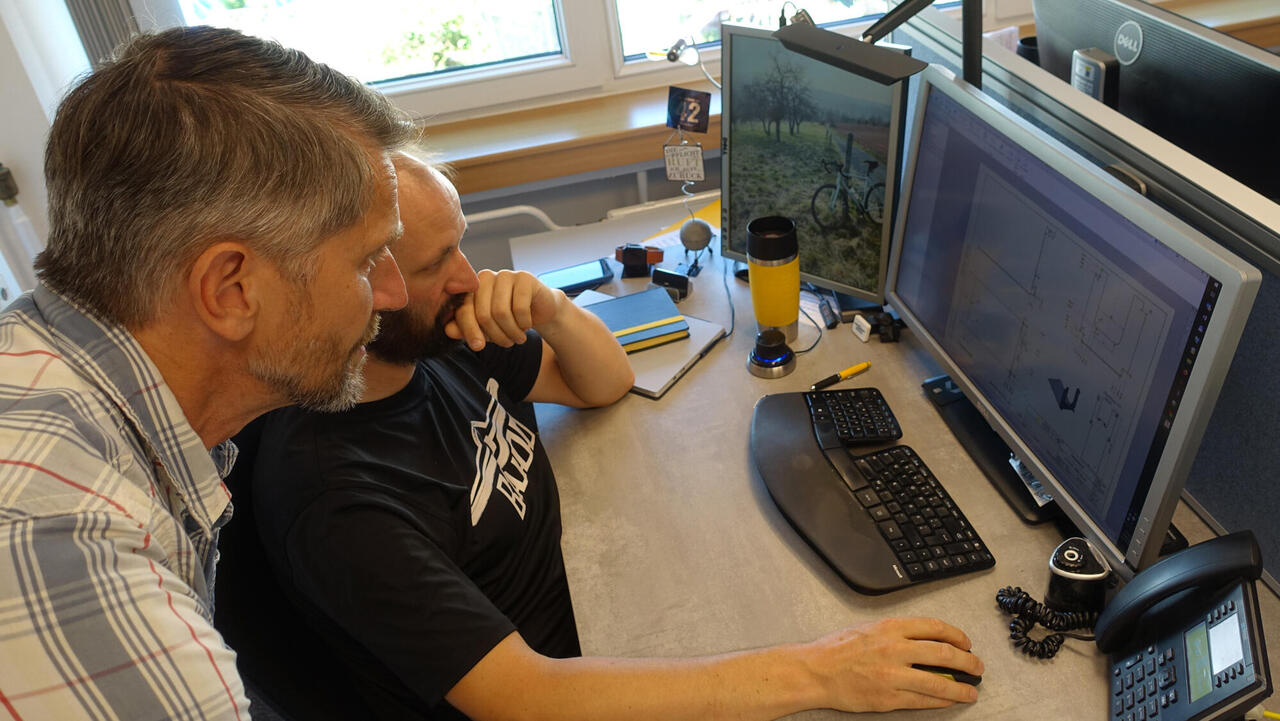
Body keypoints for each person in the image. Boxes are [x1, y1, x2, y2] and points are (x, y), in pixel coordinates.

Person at [249, 153, 986, 721]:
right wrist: (821, 672)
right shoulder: (333, 493)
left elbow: (596, 384)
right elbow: (525, 697)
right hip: (566, 682)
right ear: (362, 287)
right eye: (438, 263)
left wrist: (554, 312)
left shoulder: (432, 341)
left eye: (461, 247)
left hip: (593, 600)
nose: (470, 278)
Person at [0, 26, 420, 719]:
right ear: (231, 289)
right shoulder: (62, 545)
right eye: (367, 261)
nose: (393, 295)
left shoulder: (52, 360)